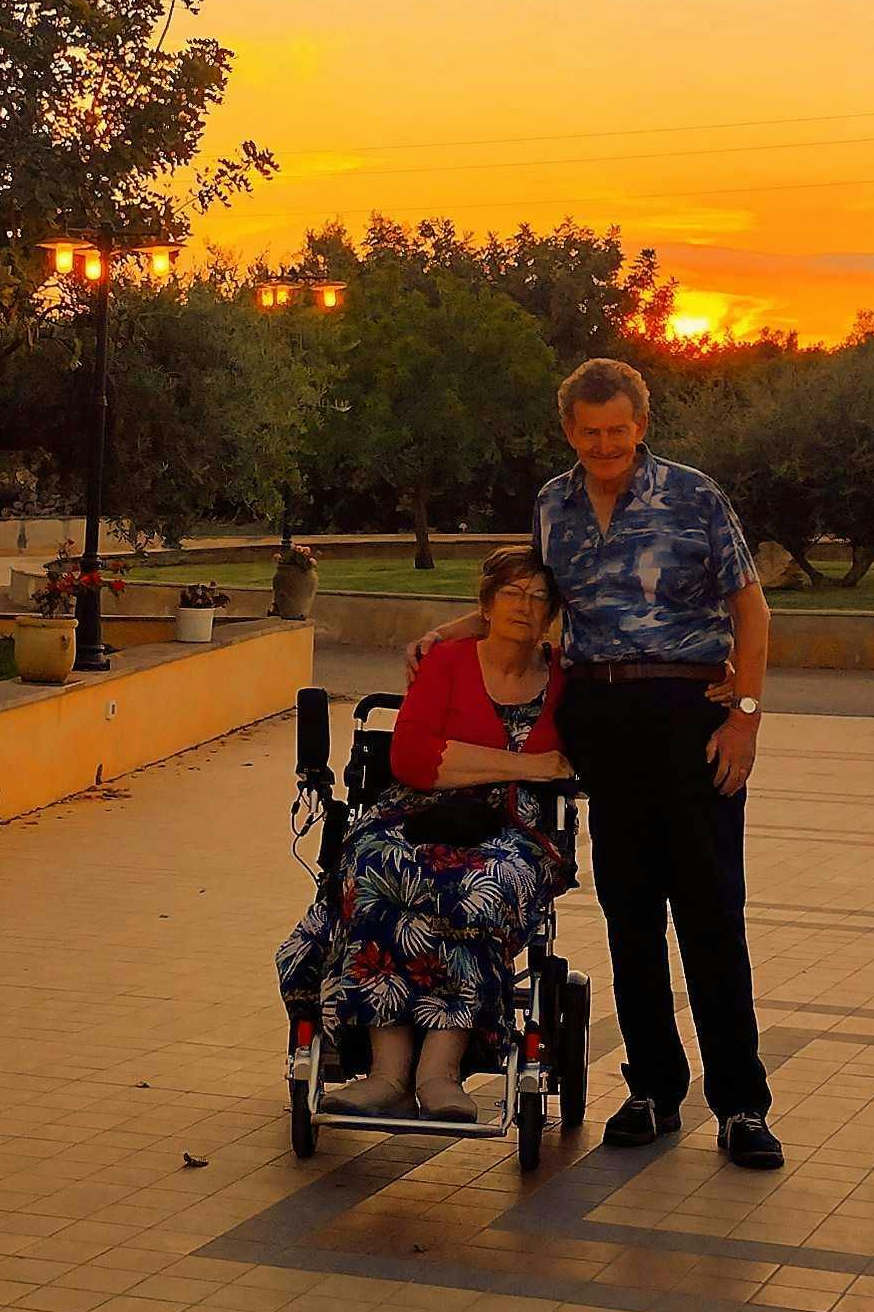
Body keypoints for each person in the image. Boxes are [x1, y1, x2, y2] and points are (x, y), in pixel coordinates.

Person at [428, 357, 781, 1168]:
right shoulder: (553, 504)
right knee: (630, 912)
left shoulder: (695, 497)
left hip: (691, 714)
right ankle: (652, 1088)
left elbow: (751, 609)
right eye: (589, 434)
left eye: (617, 431)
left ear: (641, 425)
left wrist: (747, 718)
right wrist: (451, 635)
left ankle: (741, 1104)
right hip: (600, 714)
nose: (605, 445)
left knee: (710, 913)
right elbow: (531, 605)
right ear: (569, 433)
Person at [279, 544, 574, 1120]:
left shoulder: (567, 679)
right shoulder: (447, 662)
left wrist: (466, 761)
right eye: (511, 593)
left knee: (483, 885)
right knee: (376, 869)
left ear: (553, 615)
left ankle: (441, 1072)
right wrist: (531, 765)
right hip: (413, 812)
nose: (524, 605)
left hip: (516, 830)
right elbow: (413, 760)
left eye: (539, 597)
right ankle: (387, 1073)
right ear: (487, 605)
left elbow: (582, 757)